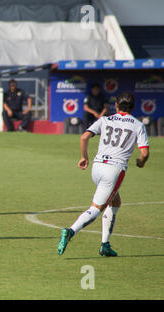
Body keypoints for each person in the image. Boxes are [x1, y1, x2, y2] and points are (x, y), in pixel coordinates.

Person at [57, 91, 149, 257]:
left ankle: (105, 245)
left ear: (116, 106)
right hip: (114, 170)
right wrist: (141, 163)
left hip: (97, 167)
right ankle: (70, 231)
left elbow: (84, 137)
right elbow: (144, 153)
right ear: (133, 107)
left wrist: (84, 157)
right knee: (96, 209)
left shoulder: (105, 119)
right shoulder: (137, 125)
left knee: (115, 202)